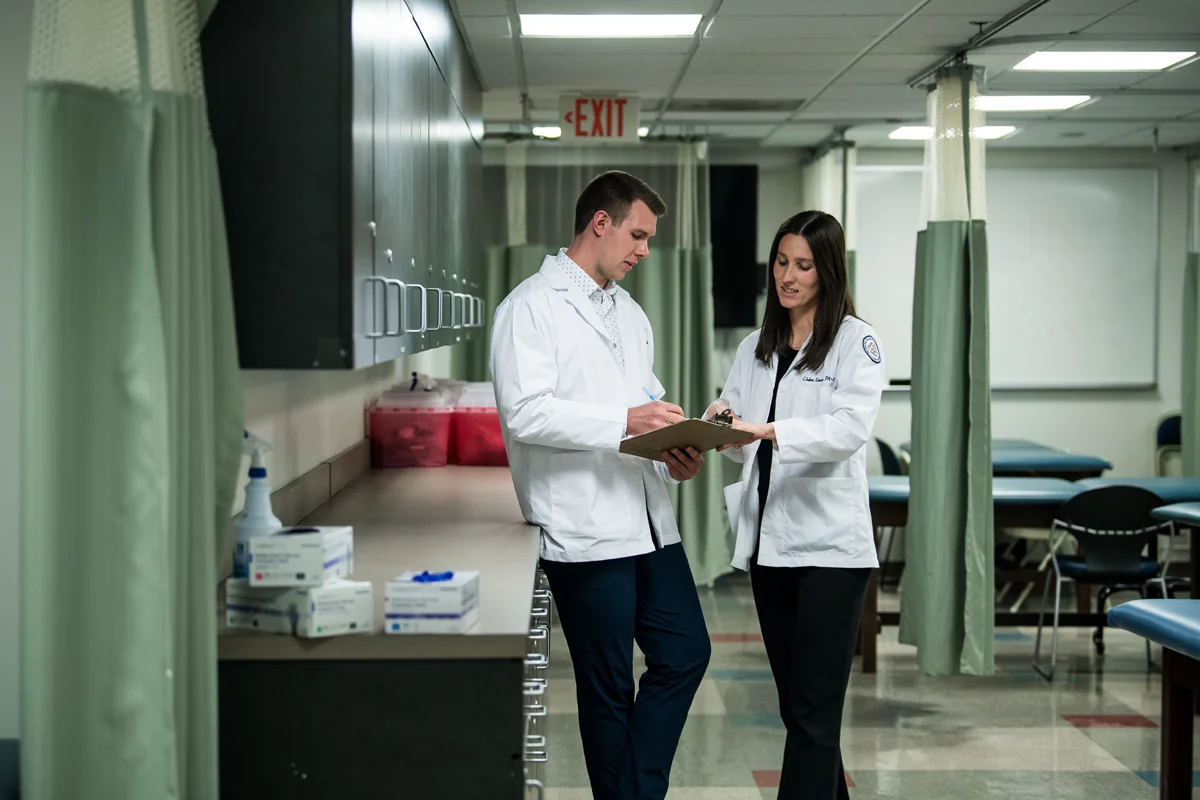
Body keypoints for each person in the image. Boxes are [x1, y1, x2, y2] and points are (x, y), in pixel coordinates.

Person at [490, 170, 712, 800]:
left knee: (685, 653)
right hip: (584, 530)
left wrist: (674, 446)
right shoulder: (530, 308)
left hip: (648, 522)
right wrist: (624, 422)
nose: (644, 250)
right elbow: (526, 413)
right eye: (638, 235)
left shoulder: (630, 313)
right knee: (608, 686)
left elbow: (645, 401)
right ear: (601, 223)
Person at [706, 210, 883, 800]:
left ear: (827, 270)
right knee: (801, 712)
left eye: (803, 265)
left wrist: (768, 431)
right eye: (781, 263)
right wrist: (718, 427)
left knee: (813, 716)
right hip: (771, 548)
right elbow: (737, 437)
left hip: (832, 550)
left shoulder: (857, 341)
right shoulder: (755, 347)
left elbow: (847, 430)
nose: (788, 276)